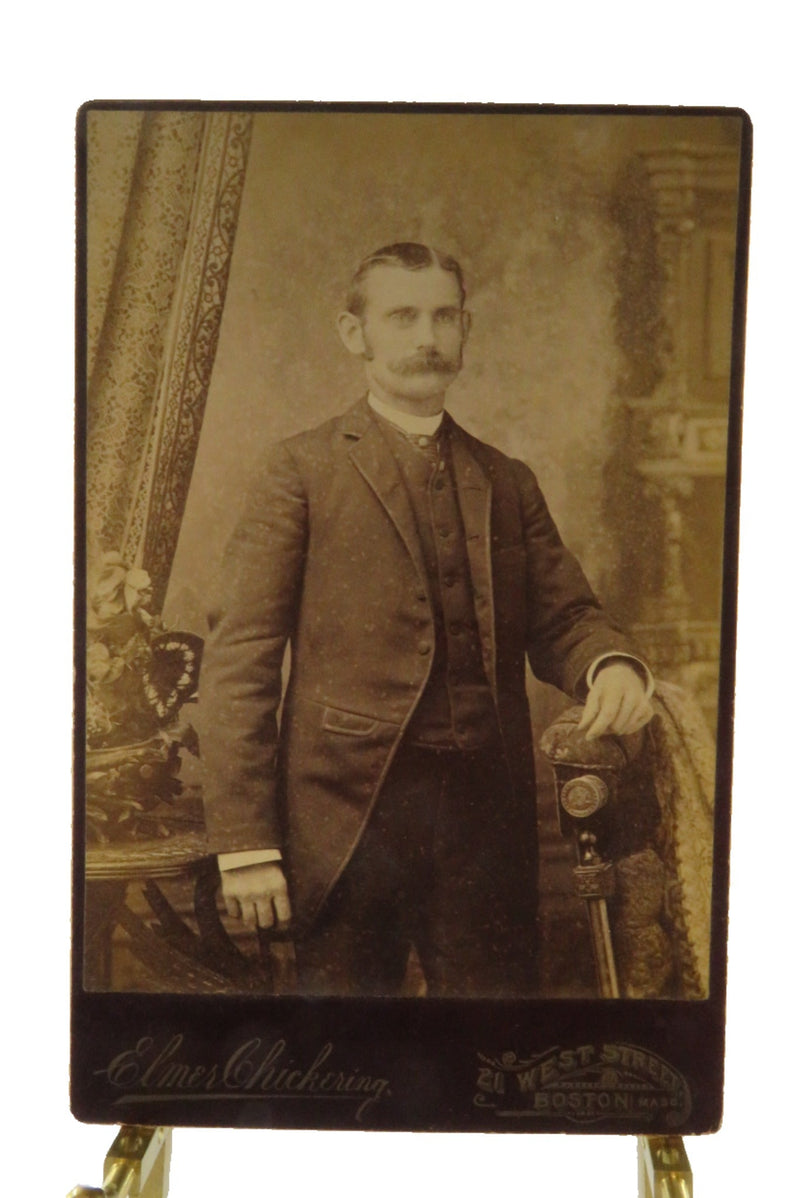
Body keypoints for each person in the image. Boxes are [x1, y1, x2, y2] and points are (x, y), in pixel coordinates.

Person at [200, 242, 654, 998]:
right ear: (355, 334)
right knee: (342, 1057)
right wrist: (246, 845)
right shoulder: (301, 470)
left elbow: (568, 615)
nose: (426, 337)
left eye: (445, 316)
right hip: (344, 822)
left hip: (486, 823)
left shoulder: (505, 480)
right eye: (402, 316)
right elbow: (240, 659)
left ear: (466, 329)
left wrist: (609, 664)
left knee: (492, 1049)